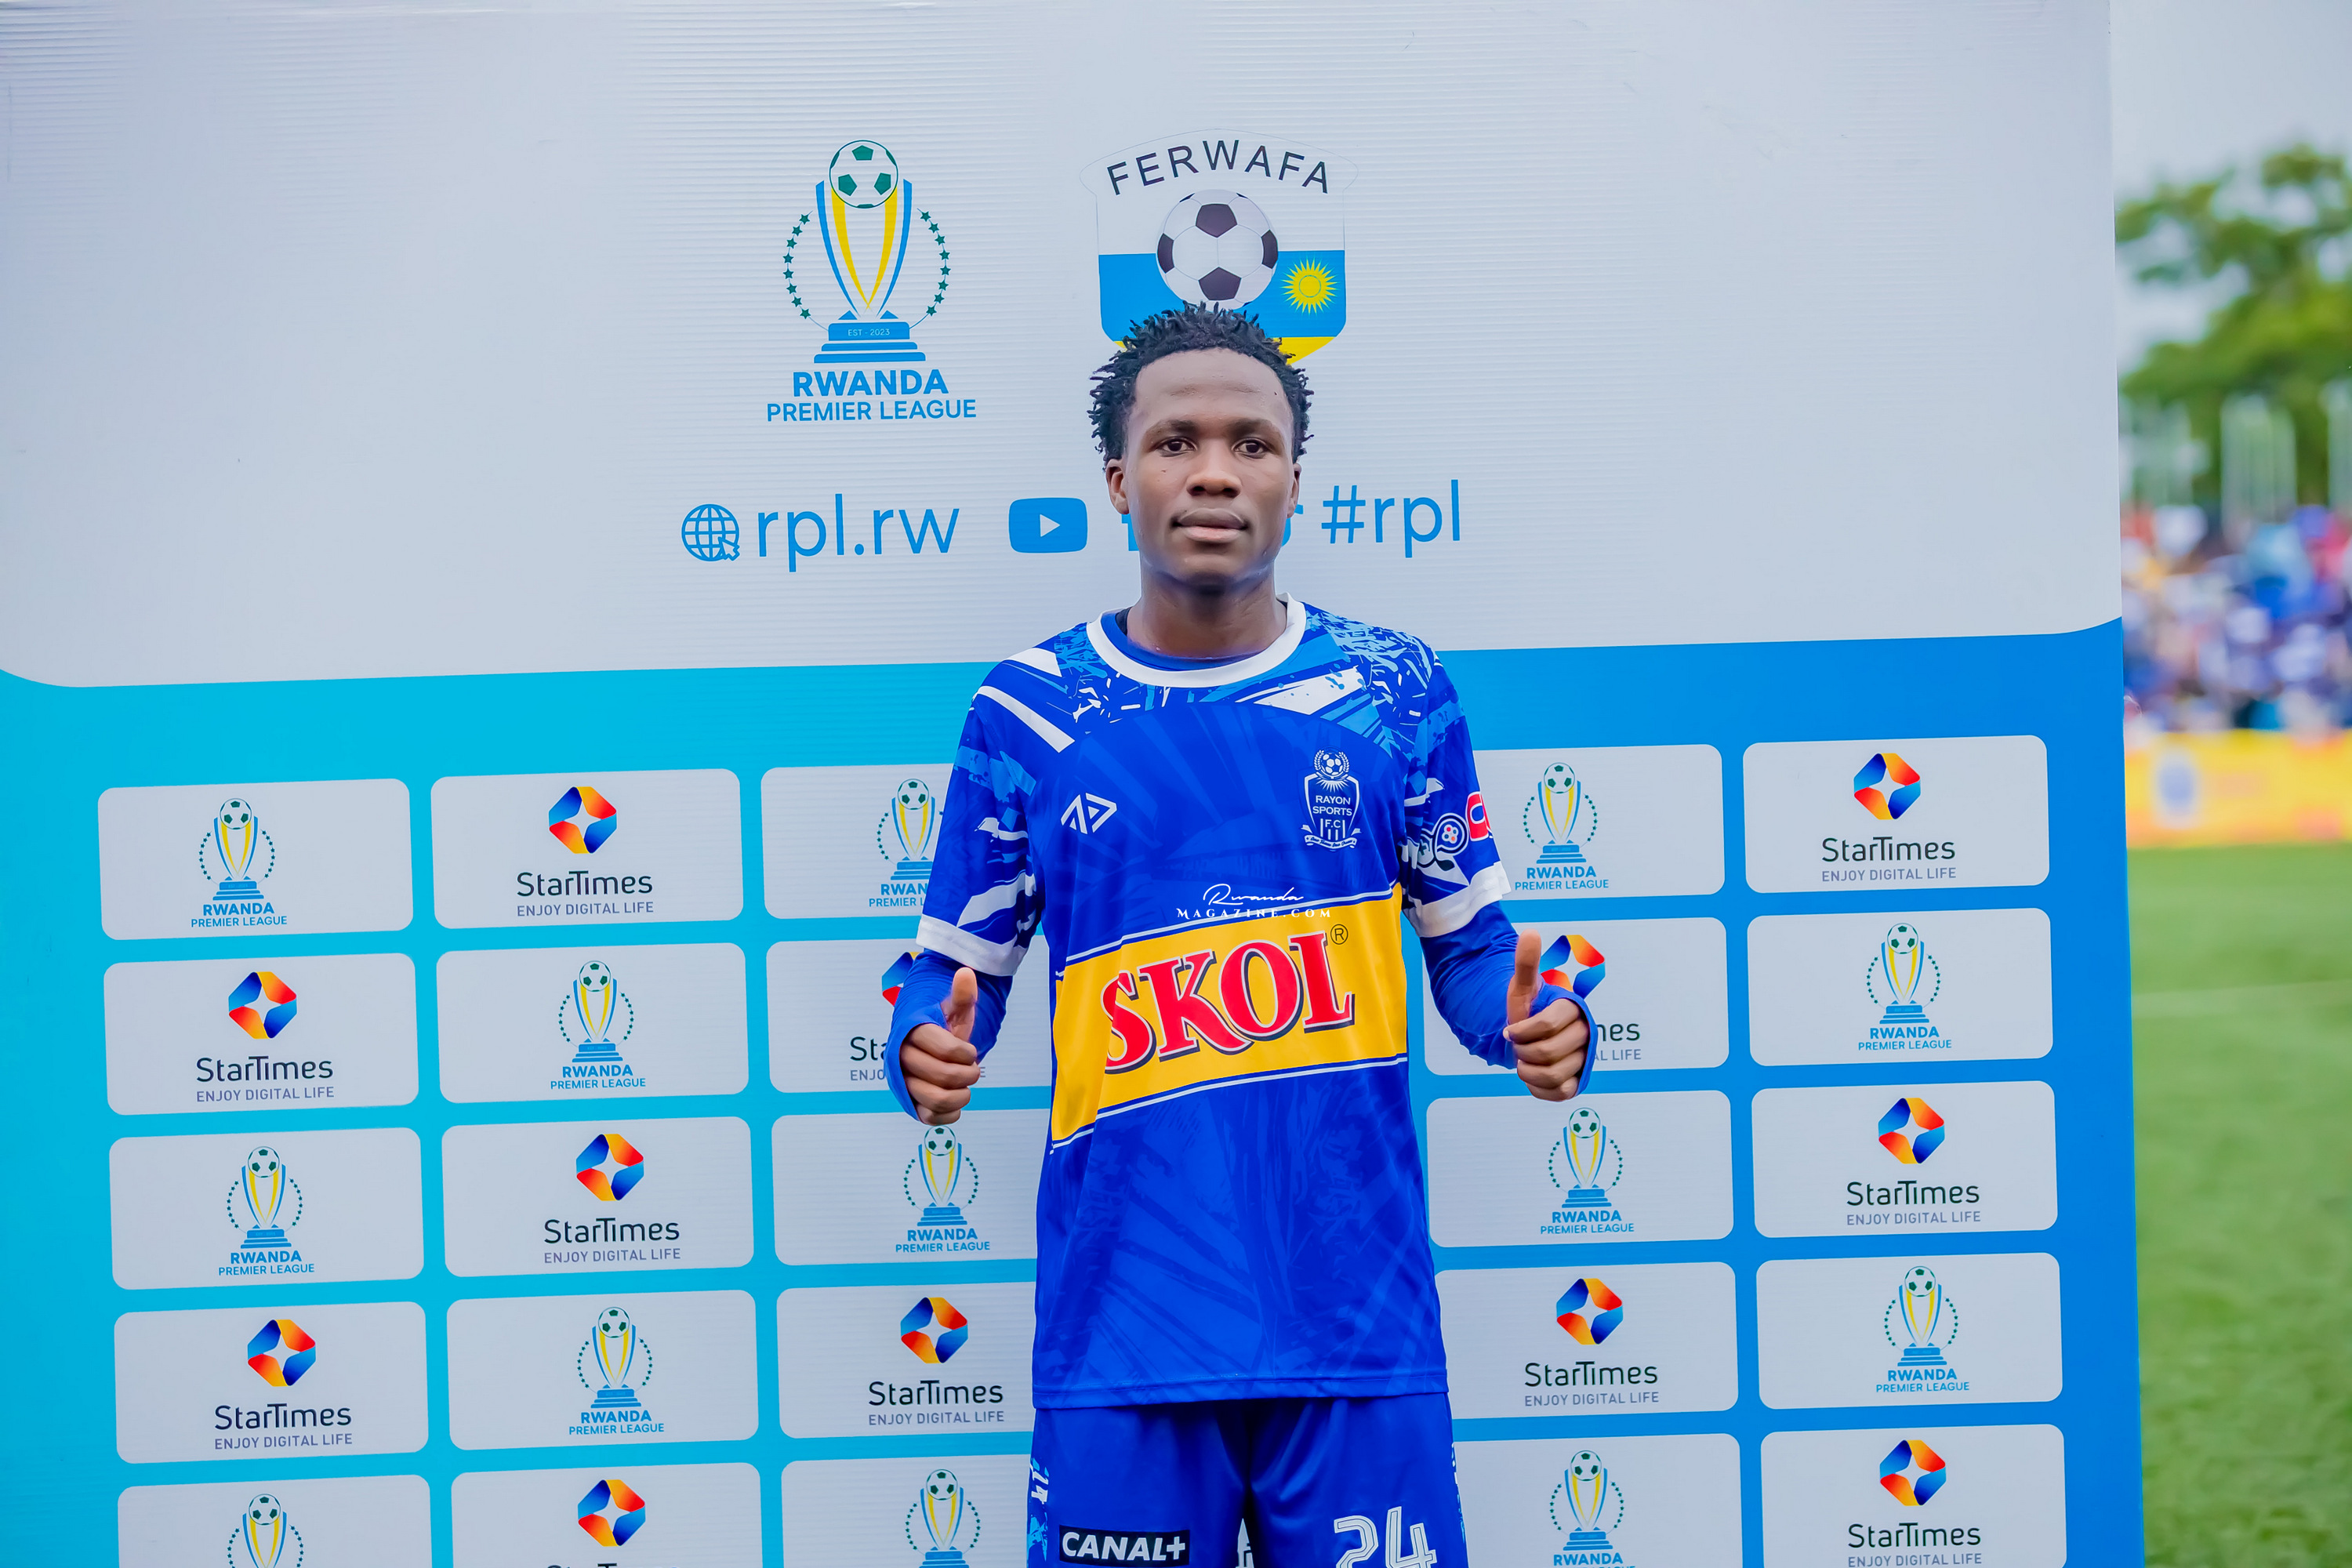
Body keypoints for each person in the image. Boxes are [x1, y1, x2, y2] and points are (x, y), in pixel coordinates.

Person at [885, 305, 1592, 1568]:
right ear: (1119, 479)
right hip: (1124, 1334)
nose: (1214, 472)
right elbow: (952, 975)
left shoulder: (1393, 692)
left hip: (1355, 1327)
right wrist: (921, 1049)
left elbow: (1473, 947)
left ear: (1295, 481)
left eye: (1251, 444)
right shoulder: (1029, 713)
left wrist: (1531, 1023)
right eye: (1177, 442)